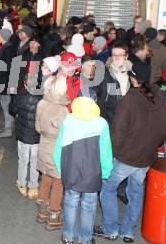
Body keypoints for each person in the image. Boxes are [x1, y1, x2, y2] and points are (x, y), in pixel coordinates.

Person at [94, 62, 166, 243]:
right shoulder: (158, 97)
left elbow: (118, 134)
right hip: (147, 158)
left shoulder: (128, 100)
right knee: (136, 192)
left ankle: (110, 229)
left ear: (132, 78)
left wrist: (111, 155)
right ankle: (128, 231)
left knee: (107, 188)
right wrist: (151, 143)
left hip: (126, 157)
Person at [54, 97, 113, 244]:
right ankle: (85, 239)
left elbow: (58, 150)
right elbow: (106, 153)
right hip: (92, 174)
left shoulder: (68, 121)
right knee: (88, 206)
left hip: (71, 172)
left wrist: (60, 170)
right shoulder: (102, 124)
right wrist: (105, 173)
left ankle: (68, 237)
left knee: (70, 203)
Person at [35, 69, 68, 231]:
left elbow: (38, 127)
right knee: (58, 183)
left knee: (46, 177)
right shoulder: (63, 110)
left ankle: (41, 211)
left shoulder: (41, 103)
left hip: (44, 145)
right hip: (57, 149)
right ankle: (53, 215)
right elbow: (66, 134)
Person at [9, 73, 42, 200]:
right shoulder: (43, 97)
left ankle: (21, 183)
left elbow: (12, 110)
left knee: (23, 160)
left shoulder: (19, 96)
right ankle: (33, 186)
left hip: (23, 134)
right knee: (35, 161)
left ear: (24, 84)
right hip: (37, 135)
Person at [95, 41, 132, 126]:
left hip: (127, 119)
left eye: (120, 55)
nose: (117, 58)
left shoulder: (132, 75)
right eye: (114, 55)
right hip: (108, 120)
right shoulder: (103, 74)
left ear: (126, 56)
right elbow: (95, 97)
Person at [0, 28, 15, 138]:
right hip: (4, 82)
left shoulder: (7, 48)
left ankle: (8, 129)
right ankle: (9, 127)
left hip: (4, 83)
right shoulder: (7, 47)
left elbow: (6, 67)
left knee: (6, 106)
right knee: (6, 105)